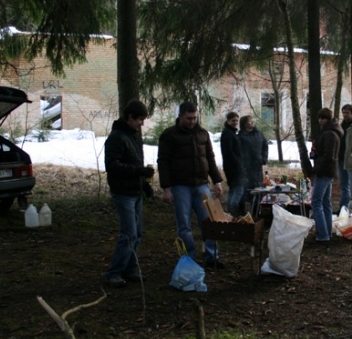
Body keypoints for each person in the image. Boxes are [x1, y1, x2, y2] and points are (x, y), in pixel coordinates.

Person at [158, 102, 225, 268]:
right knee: (184, 225)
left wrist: (217, 181)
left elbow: (209, 157)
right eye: (188, 118)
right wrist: (166, 188)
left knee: (210, 223)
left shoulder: (202, 134)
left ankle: (212, 257)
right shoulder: (169, 135)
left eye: (194, 118)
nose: (192, 121)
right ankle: (188, 259)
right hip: (180, 186)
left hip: (202, 184)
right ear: (180, 116)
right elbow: (163, 162)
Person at [103, 100, 155, 288]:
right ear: (130, 117)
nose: (142, 123)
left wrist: (144, 185)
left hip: (135, 191)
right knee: (128, 234)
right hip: (122, 192)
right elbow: (112, 166)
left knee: (137, 233)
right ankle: (113, 273)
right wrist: (138, 172)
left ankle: (130, 269)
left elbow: (135, 162)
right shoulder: (117, 137)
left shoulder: (133, 136)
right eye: (140, 119)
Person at [310, 108, 344, 242]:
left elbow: (329, 155)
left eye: (323, 118)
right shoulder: (330, 131)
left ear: (328, 119)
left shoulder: (329, 133)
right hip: (327, 170)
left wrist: (317, 166)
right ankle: (327, 232)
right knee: (325, 202)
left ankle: (323, 234)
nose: (320, 120)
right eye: (319, 118)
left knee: (316, 202)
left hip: (324, 171)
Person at [220, 111, 247, 216]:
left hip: (234, 167)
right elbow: (229, 152)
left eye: (237, 120)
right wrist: (239, 164)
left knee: (233, 190)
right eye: (233, 120)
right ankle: (234, 212)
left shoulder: (231, 133)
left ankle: (231, 214)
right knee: (238, 191)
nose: (235, 122)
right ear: (228, 121)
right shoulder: (227, 133)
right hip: (234, 168)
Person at [238, 114, 268, 199]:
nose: (252, 122)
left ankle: (257, 207)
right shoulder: (240, 136)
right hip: (246, 167)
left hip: (258, 165)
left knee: (258, 187)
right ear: (244, 124)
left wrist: (264, 158)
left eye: (252, 121)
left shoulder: (259, 134)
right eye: (249, 121)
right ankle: (244, 209)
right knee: (247, 189)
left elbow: (265, 146)